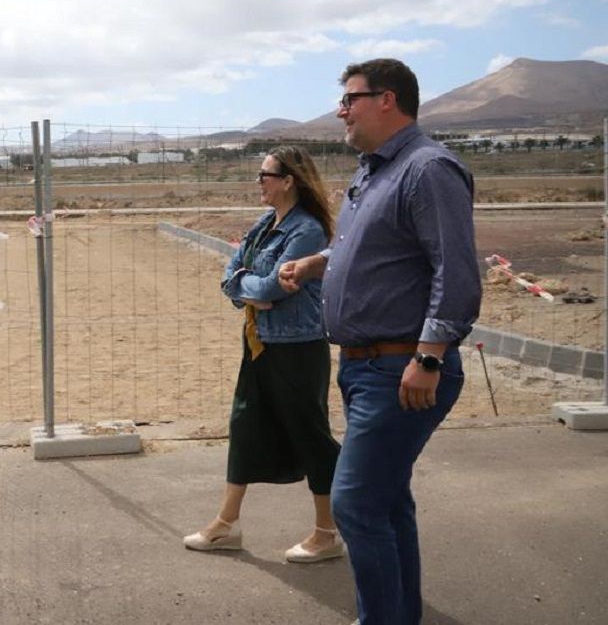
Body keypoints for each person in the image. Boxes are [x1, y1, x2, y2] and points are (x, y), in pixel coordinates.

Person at [278, 59, 481, 625]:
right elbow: (367, 254)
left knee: (356, 504)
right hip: (366, 368)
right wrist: (317, 263)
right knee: (387, 503)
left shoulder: (428, 168)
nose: (341, 110)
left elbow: (456, 274)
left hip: (403, 367)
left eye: (350, 99)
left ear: (386, 100)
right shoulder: (373, 172)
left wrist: (429, 355)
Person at [183, 145, 344, 563]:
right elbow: (231, 275)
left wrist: (251, 287)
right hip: (259, 343)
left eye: (265, 175)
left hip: (296, 347)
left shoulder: (305, 230)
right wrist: (247, 286)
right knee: (245, 424)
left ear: (288, 181)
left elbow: (273, 286)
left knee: (311, 435)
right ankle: (225, 525)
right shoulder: (265, 224)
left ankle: (327, 534)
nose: (259, 181)